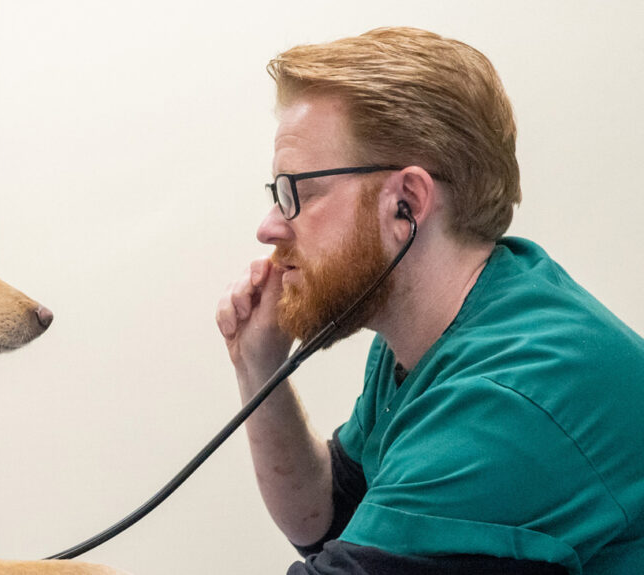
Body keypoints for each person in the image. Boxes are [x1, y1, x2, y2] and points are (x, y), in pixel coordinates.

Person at [216, 27, 644, 575]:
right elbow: (331, 517)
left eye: (298, 191)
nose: (270, 226)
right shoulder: (433, 333)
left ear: (407, 203)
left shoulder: (508, 396)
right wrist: (258, 365)